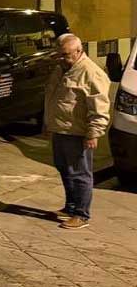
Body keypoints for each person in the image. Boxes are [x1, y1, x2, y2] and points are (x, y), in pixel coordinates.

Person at [44, 33, 111, 230]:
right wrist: (47, 123)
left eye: (65, 55)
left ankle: (81, 214)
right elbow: (52, 97)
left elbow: (99, 107)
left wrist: (93, 133)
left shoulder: (91, 72)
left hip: (77, 133)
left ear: (79, 51)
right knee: (64, 168)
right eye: (59, 54)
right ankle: (71, 206)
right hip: (60, 129)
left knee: (80, 173)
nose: (61, 58)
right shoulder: (61, 68)